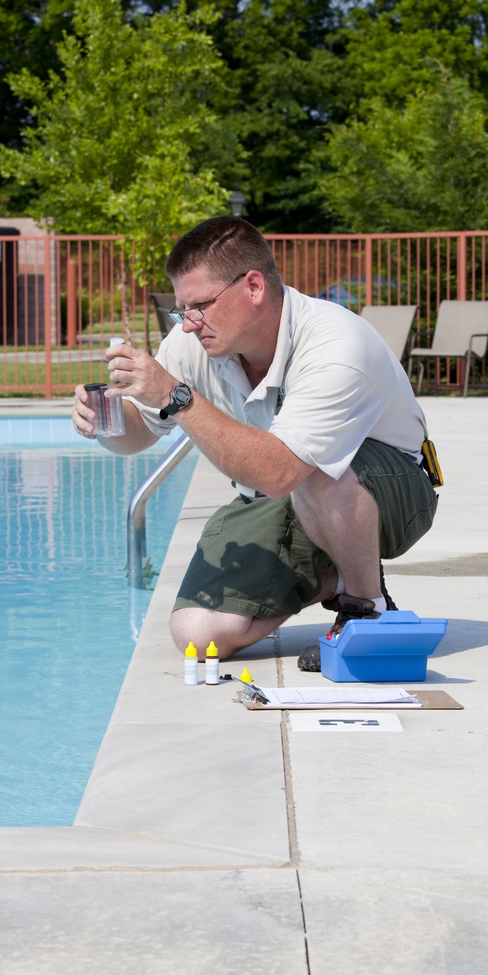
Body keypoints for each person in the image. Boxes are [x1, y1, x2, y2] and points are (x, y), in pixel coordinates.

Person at [72, 216, 439, 670]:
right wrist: (104, 424)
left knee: (314, 469)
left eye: (199, 306)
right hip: (282, 494)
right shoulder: (195, 341)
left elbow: (281, 470)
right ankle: (330, 574)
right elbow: (141, 432)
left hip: (390, 493)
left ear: (253, 287)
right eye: (181, 309)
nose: (187, 324)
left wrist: (176, 396)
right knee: (198, 637)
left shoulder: (335, 344)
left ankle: (365, 606)